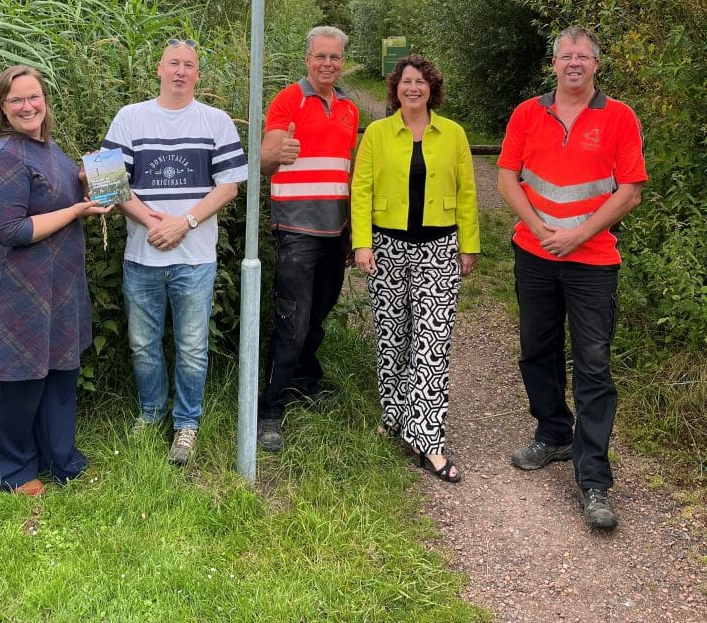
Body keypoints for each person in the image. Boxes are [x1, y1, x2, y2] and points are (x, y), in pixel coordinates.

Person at [497, 27, 647, 529]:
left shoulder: (620, 116)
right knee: (536, 349)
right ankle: (554, 432)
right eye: (567, 55)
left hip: (594, 259)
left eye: (583, 56)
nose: (574, 63)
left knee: (593, 363)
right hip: (534, 252)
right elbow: (505, 178)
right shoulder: (526, 113)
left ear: (596, 65)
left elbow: (629, 192)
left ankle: (594, 480)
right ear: (554, 63)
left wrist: (577, 234)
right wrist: (540, 228)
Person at [0, 65, 111, 495]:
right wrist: (77, 211)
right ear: (2, 110)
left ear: (45, 100)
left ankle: (61, 459)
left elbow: (56, 196)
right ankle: (10, 468)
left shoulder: (49, 149)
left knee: (60, 375)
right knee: (17, 382)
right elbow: (10, 230)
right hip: (17, 288)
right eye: (16, 100)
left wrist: (84, 184)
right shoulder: (5, 155)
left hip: (59, 285)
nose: (28, 106)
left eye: (34, 97)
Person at [102, 39, 247, 465]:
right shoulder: (131, 118)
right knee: (143, 343)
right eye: (173, 64)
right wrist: (153, 222)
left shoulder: (216, 122)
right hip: (141, 254)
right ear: (159, 69)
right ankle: (150, 414)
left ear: (198, 74)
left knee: (192, 345)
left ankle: (187, 424)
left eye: (189, 65)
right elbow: (110, 182)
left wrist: (184, 223)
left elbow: (229, 186)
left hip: (196, 256)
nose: (181, 71)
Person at [351, 54, 479, 483]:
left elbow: (466, 194)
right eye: (406, 81)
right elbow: (361, 189)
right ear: (395, 88)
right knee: (392, 338)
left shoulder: (454, 134)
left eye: (421, 82)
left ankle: (428, 440)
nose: (413, 88)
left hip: (439, 249)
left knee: (432, 344)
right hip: (386, 247)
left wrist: (469, 246)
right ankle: (394, 418)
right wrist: (362, 243)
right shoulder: (377, 134)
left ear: (432, 89)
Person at [257, 26, 359, 452]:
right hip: (297, 230)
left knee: (317, 315)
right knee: (292, 323)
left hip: (335, 230)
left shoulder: (351, 107)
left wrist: (353, 228)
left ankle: (304, 380)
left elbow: (349, 171)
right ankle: (269, 412)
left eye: (335, 58)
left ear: (342, 61)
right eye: (320, 56)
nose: (328, 64)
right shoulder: (288, 99)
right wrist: (274, 154)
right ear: (307, 59)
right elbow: (264, 160)